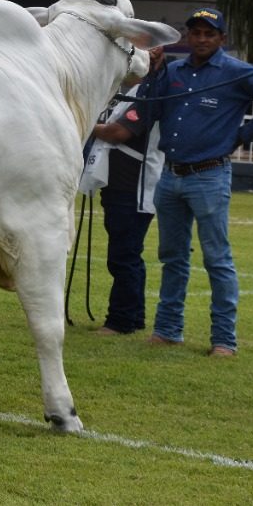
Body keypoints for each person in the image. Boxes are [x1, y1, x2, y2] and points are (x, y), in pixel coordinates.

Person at [120, 8, 253, 356]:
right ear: (187, 37)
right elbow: (150, 108)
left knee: (217, 258)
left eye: (209, 34)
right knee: (172, 257)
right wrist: (153, 72)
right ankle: (168, 330)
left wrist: (243, 134)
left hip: (210, 176)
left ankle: (223, 340)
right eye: (195, 33)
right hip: (170, 176)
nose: (201, 39)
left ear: (222, 39)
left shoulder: (237, 72)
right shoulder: (173, 71)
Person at [89, 46, 166, 336]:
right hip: (118, 184)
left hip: (134, 186)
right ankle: (133, 317)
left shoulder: (148, 94)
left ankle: (119, 320)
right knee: (126, 253)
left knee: (124, 255)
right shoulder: (126, 93)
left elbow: (117, 132)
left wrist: (82, 122)